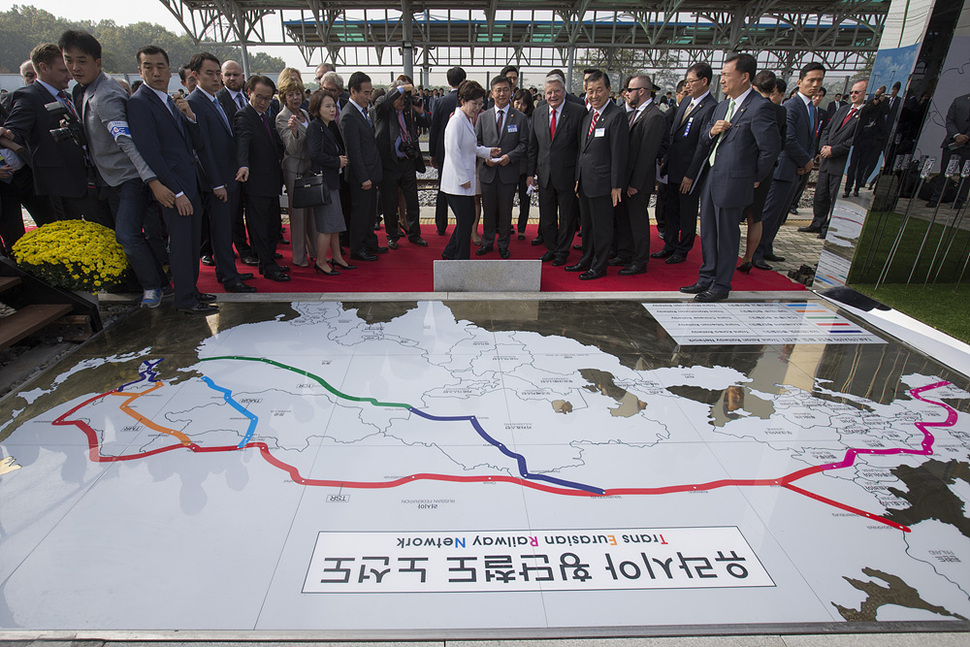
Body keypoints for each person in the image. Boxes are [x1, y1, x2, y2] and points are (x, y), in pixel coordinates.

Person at [60, 29, 168, 308]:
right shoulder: (81, 90)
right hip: (106, 177)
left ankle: (153, 287)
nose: (75, 67)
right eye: (69, 60)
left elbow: (127, 142)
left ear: (98, 63)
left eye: (81, 61)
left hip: (130, 176)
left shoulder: (107, 95)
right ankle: (142, 281)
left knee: (128, 234)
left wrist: (151, 180)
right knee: (121, 234)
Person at [680, 53, 781, 302]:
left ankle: (721, 284)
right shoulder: (723, 106)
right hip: (712, 176)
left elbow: (770, 149)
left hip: (736, 181)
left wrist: (753, 177)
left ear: (745, 76)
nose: (722, 79)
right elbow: (704, 138)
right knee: (708, 232)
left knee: (726, 233)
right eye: (722, 74)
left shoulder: (760, 107)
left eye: (727, 74)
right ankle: (706, 277)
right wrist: (712, 131)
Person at [128, 45, 215, 315]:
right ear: (140, 70)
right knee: (179, 243)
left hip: (191, 181)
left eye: (160, 66)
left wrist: (189, 116)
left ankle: (192, 289)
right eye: (148, 67)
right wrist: (175, 192)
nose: (155, 72)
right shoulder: (139, 103)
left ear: (169, 69)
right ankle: (185, 299)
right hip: (174, 187)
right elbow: (151, 153)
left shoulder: (172, 101)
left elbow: (196, 143)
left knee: (191, 242)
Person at [1, 43, 93, 235]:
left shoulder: (68, 96)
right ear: (43, 68)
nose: (69, 76)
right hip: (55, 186)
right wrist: (8, 134)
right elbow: (15, 130)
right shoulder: (29, 97)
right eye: (63, 71)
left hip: (80, 179)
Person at [185, 51, 256, 294]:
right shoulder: (194, 103)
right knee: (221, 231)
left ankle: (227, 271)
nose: (217, 78)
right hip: (217, 182)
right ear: (195, 75)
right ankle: (229, 277)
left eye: (218, 73)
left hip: (230, 176)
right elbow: (201, 149)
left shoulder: (216, 100)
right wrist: (216, 183)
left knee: (227, 228)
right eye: (210, 73)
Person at [751, 61, 825, 271]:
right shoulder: (791, 107)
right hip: (784, 169)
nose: (815, 84)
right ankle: (756, 253)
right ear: (800, 81)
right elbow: (789, 140)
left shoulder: (812, 109)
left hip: (797, 171)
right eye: (811, 80)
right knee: (770, 213)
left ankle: (766, 247)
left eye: (819, 80)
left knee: (781, 213)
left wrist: (806, 162)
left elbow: (809, 139)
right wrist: (807, 161)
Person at [567, 69, 629, 280]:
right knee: (588, 226)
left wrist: (616, 185)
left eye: (599, 90)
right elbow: (581, 152)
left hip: (603, 184)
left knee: (602, 227)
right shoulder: (588, 116)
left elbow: (619, 153)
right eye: (590, 91)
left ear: (609, 90)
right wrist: (578, 178)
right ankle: (586, 259)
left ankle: (599, 266)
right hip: (585, 182)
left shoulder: (616, 116)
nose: (594, 96)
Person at [653, 62, 718, 265]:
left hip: (689, 172)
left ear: (704, 81)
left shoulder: (710, 107)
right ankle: (670, 244)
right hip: (673, 166)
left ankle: (683, 248)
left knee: (686, 212)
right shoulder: (685, 101)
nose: (688, 85)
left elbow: (702, 145)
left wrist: (691, 174)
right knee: (670, 208)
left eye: (692, 81)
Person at [234, 74, 289, 282]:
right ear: (249, 93)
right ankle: (267, 266)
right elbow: (243, 142)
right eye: (259, 97)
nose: (264, 102)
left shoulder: (265, 115)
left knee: (271, 223)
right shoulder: (244, 116)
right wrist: (243, 164)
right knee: (260, 226)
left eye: (268, 98)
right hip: (256, 182)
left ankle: (268, 259)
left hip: (271, 180)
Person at [527, 73, 584, 266]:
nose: (553, 96)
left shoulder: (578, 112)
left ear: (564, 91)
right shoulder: (539, 112)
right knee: (547, 217)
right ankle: (551, 248)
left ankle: (562, 251)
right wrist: (529, 173)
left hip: (567, 176)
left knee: (567, 217)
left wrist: (578, 176)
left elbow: (581, 149)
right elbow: (533, 146)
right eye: (549, 92)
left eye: (556, 91)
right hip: (544, 175)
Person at [441, 80, 501, 260]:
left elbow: (472, 148)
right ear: (463, 101)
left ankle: (450, 253)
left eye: (480, 103)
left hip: (463, 183)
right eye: (474, 103)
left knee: (465, 221)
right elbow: (453, 151)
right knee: (466, 221)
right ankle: (460, 258)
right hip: (457, 183)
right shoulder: (456, 121)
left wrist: (488, 151)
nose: (477, 107)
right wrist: (462, 178)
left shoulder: (465, 120)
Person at [613, 73, 665, 276]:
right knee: (624, 220)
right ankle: (625, 253)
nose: (626, 94)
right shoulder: (632, 114)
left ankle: (640, 260)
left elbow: (647, 154)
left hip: (638, 183)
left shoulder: (654, 116)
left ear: (641, 91)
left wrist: (635, 183)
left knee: (638, 222)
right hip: (626, 180)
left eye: (630, 90)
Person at [475, 75, 531, 258]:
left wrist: (510, 156)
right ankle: (488, 241)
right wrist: (485, 157)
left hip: (508, 172)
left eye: (505, 90)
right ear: (491, 93)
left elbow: (524, 145)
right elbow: (476, 143)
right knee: (488, 209)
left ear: (511, 92)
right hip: (488, 171)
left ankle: (503, 244)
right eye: (498, 90)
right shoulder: (482, 117)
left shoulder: (520, 118)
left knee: (506, 211)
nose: (502, 94)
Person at [799, 79, 864, 237]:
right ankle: (817, 222)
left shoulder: (864, 115)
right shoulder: (843, 110)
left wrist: (834, 150)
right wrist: (823, 147)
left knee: (834, 196)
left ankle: (828, 227)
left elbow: (856, 140)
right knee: (821, 195)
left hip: (840, 162)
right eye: (852, 92)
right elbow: (827, 129)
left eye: (857, 92)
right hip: (827, 161)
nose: (853, 95)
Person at [737, 73, 787, 274]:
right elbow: (779, 144)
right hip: (764, 173)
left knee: (734, 216)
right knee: (755, 217)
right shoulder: (780, 111)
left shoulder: (752, 108)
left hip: (747, 171)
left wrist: (755, 174)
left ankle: (732, 256)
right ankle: (749, 256)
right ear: (774, 89)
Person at [374, 80, 429, 248]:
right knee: (389, 202)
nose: (401, 101)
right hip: (389, 163)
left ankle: (414, 234)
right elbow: (382, 101)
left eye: (404, 98)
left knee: (412, 201)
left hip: (407, 162)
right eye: (398, 97)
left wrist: (420, 113)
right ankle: (392, 235)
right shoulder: (383, 110)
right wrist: (403, 88)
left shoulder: (407, 111)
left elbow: (427, 123)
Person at [338, 72, 387, 262]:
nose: (369, 97)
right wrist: (364, 177)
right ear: (353, 91)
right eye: (365, 93)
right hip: (361, 176)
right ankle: (358, 249)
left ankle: (369, 242)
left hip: (370, 173)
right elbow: (353, 151)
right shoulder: (349, 115)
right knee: (360, 214)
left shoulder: (360, 112)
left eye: (370, 92)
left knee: (369, 213)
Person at [305, 90, 353, 275]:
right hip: (323, 182)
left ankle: (337, 257)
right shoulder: (315, 127)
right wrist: (336, 161)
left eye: (333, 106)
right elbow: (314, 154)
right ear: (317, 108)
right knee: (326, 226)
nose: (332, 110)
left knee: (335, 224)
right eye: (327, 106)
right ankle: (321, 261)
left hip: (331, 181)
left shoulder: (327, 126)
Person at [275, 70, 316, 267]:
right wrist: (293, 133)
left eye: (298, 93)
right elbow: (291, 148)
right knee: (298, 216)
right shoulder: (283, 118)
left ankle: (314, 250)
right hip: (294, 171)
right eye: (290, 94)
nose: (295, 97)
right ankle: (299, 257)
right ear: (284, 96)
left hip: (308, 168)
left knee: (311, 214)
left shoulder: (304, 113)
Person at [216, 59, 255, 264]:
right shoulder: (217, 99)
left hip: (251, 164)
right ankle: (239, 248)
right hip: (229, 166)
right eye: (228, 75)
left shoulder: (248, 98)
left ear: (242, 77)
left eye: (236, 74)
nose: (232, 78)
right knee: (233, 212)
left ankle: (253, 246)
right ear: (222, 78)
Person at [429, 66, 466, 236]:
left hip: (443, 153)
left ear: (448, 81)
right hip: (464, 152)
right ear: (464, 80)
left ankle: (441, 224)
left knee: (442, 188)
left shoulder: (440, 102)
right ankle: (463, 223)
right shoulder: (466, 100)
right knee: (464, 190)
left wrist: (432, 154)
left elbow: (434, 129)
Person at [928, 90, 970, 209]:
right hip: (952, 143)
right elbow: (949, 120)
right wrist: (957, 135)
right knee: (944, 172)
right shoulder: (959, 100)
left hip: (967, 146)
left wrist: (966, 137)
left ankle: (959, 201)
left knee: (965, 175)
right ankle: (936, 198)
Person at [844, 85, 887, 197]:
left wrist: (882, 102)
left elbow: (887, 112)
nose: (878, 97)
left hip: (871, 141)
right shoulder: (868, 104)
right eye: (876, 95)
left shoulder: (882, 107)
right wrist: (875, 101)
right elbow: (865, 111)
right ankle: (847, 188)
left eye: (880, 95)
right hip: (860, 139)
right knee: (852, 166)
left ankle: (857, 188)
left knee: (862, 165)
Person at [512, 87, 534, 241]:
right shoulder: (509, 117)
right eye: (517, 103)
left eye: (523, 104)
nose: (519, 107)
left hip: (525, 167)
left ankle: (521, 228)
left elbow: (533, 147)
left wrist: (532, 171)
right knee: (506, 200)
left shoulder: (532, 120)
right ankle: (506, 225)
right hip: (511, 164)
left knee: (525, 199)